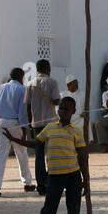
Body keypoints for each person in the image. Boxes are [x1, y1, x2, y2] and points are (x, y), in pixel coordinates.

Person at [5, 96, 85, 214]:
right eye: (60, 108)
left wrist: (87, 180)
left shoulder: (76, 131)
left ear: (73, 112)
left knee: (73, 213)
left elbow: (83, 157)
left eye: (66, 109)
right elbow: (36, 143)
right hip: (54, 177)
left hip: (73, 176)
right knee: (48, 212)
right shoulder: (49, 128)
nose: (62, 112)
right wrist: (14, 140)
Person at [0, 68, 35, 196]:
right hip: (15, 124)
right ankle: (27, 183)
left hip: (1, 123)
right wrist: (25, 129)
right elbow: (22, 111)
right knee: (21, 153)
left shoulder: (0, 88)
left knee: (0, 154)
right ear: (21, 77)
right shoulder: (22, 89)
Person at [26, 59, 62, 194]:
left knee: (39, 155)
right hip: (51, 122)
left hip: (36, 123)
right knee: (53, 152)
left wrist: (30, 125)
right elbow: (56, 100)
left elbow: (28, 106)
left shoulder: (30, 84)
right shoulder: (52, 82)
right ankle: (52, 182)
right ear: (48, 68)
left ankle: (41, 185)